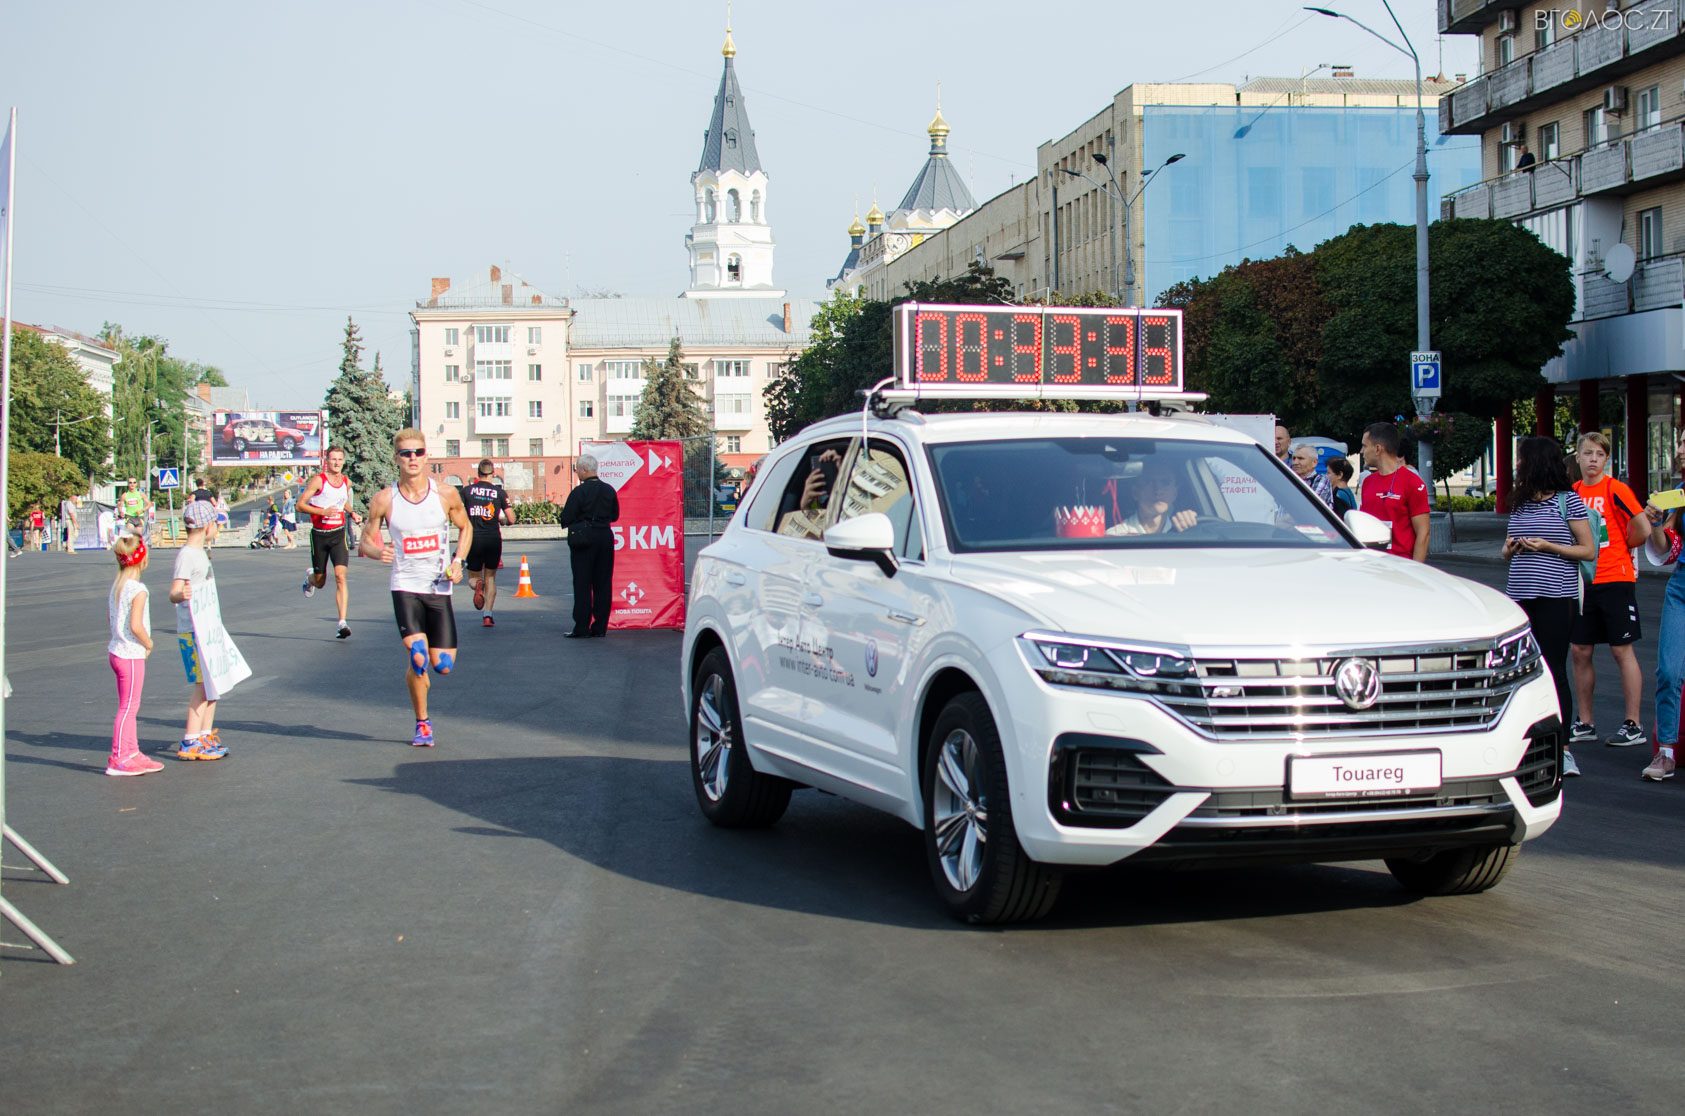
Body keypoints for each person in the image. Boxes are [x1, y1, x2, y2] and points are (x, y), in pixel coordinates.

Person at [359, 429, 474, 747]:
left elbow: (466, 527)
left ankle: (419, 668)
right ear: (396, 458)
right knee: (419, 656)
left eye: (418, 452)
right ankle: (422, 724)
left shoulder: (445, 494)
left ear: (426, 456)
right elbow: (364, 542)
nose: (413, 458)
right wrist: (377, 552)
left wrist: (459, 561)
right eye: (406, 453)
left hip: (439, 588)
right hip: (405, 586)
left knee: (443, 666)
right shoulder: (385, 499)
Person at [1501, 436, 1597, 777]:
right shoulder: (1519, 502)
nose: (1517, 465)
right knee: (1519, 672)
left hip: (1557, 596)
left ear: (1537, 463)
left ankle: (1564, 749)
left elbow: (1588, 550)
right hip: (1520, 594)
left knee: (1553, 670)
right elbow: (1504, 552)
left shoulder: (1568, 501)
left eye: (1522, 459)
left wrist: (1548, 546)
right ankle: (1525, 747)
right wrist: (1511, 548)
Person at [1568, 432, 1651, 749]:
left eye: (1599, 454)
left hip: (1616, 578)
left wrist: (1624, 545)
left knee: (1621, 650)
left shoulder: (1616, 489)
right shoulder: (1573, 492)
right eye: (1588, 453)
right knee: (1580, 650)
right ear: (1578, 456)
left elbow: (1642, 526)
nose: (1593, 459)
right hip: (1584, 581)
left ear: (1606, 459)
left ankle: (1633, 724)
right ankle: (1585, 721)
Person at [1637, 433, 1685, 781]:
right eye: (1680, 443)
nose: (1680, 450)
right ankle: (1666, 752)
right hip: (1680, 587)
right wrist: (1654, 524)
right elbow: (1668, 549)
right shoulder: (1678, 494)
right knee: (1668, 671)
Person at [169, 501, 230, 761]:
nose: (218, 529)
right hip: (193, 630)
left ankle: (204, 734)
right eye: (216, 524)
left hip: (208, 628)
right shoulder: (187, 555)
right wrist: (180, 594)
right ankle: (190, 740)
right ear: (207, 526)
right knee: (202, 686)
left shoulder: (201, 552)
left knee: (213, 685)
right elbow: (174, 591)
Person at [106, 532, 162, 776]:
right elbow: (136, 625)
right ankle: (119, 756)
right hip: (130, 653)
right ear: (143, 560)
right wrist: (148, 643)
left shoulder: (118, 586)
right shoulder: (138, 589)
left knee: (130, 705)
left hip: (117, 650)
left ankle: (132, 751)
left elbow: (113, 619)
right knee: (128, 707)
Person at [298, 447, 361, 639]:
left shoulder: (346, 481)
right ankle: (310, 579)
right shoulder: (319, 481)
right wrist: (322, 512)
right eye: (333, 459)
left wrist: (352, 512)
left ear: (343, 461)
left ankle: (342, 623)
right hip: (319, 536)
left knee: (341, 576)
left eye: (340, 459)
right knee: (320, 582)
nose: (337, 463)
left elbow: (341, 501)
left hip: (338, 535)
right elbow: (300, 505)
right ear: (327, 460)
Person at [559, 454, 621, 638]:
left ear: (584, 470)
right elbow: (615, 515)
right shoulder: (609, 490)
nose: (577, 472)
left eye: (577, 469)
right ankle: (600, 627)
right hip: (605, 536)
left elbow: (566, 517)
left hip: (584, 539)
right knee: (603, 583)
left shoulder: (579, 492)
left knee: (582, 583)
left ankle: (581, 627)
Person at [1358, 422, 1431, 561]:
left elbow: (1423, 533)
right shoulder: (1368, 482)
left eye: (1364, 446)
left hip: (1400, 564)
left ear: (1378, 449)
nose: (1362, 451)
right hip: (1371, 563)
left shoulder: (1412, 482)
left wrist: (1415, 569)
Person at [459, 458, 513, 628]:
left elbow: (457, 514)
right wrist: (502, 521)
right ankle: (488, 616)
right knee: (490, 577)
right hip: (493, 539)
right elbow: (512, 518)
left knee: (472, 577)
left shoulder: (467, 491)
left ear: (478, 473)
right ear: (493, 474)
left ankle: (477, 585)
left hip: (473, 539)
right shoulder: (499, 492)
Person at [1105, 465, 1199, 536]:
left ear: (1175, 493)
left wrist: (1192, 525)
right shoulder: (1116, 536)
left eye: (1165, 482)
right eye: (1148, 482)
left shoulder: (1187, 531)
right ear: (1135, 493)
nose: (1158, 490)